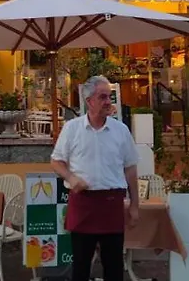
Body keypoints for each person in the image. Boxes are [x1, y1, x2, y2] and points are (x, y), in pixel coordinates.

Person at [51, 75, 139, 281]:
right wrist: (71, 177)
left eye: (109, 96)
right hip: (83, 203)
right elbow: (56, 161)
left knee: (114, 267)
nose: (108, 101)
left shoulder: (121, 130)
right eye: (102, 97)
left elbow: (130, 170)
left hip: (112, 204)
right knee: (81, 266)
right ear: (89, 101)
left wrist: (135, 205)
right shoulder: (72, 128)